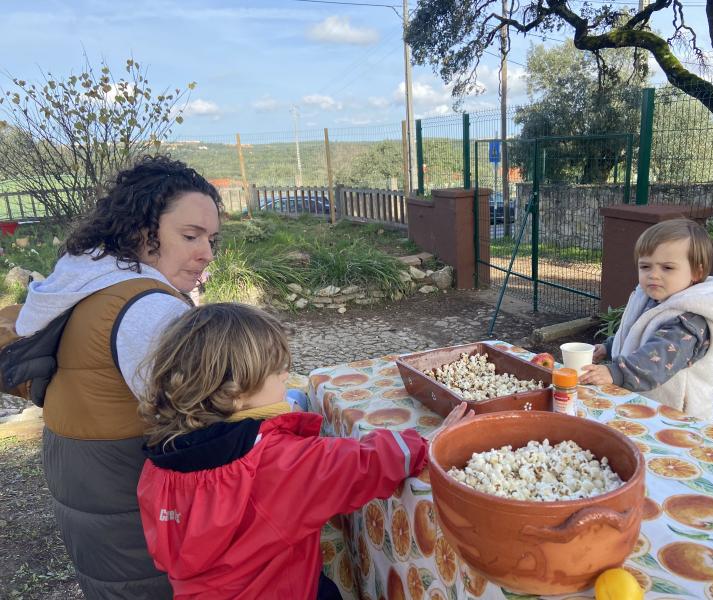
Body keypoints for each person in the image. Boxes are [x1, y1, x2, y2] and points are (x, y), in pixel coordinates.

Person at [136, 302, 472, 599]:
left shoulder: (159, 464)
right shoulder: (276, 461)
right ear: (235, 393)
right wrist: (429, 442)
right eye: (277, 369)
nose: (286, 375)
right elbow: (362, 463)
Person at [15, 156, 223, 599]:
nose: (206, 252)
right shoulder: (149, 306)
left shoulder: (89, 279)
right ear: (140, 232)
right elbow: (203, 422)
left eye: (211, 238)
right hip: (131, 501)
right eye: (190, 236)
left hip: (90, 488)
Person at [580, 218, 713, 422]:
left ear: (697, 272)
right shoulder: (653, 299)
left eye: (667, 268)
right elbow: (637, 333)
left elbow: (658, 358)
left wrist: (615, 372)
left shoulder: (691, 320)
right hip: (644, 402)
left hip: (679, 416)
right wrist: (609, 346)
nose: (653, 275)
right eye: (645, 266)